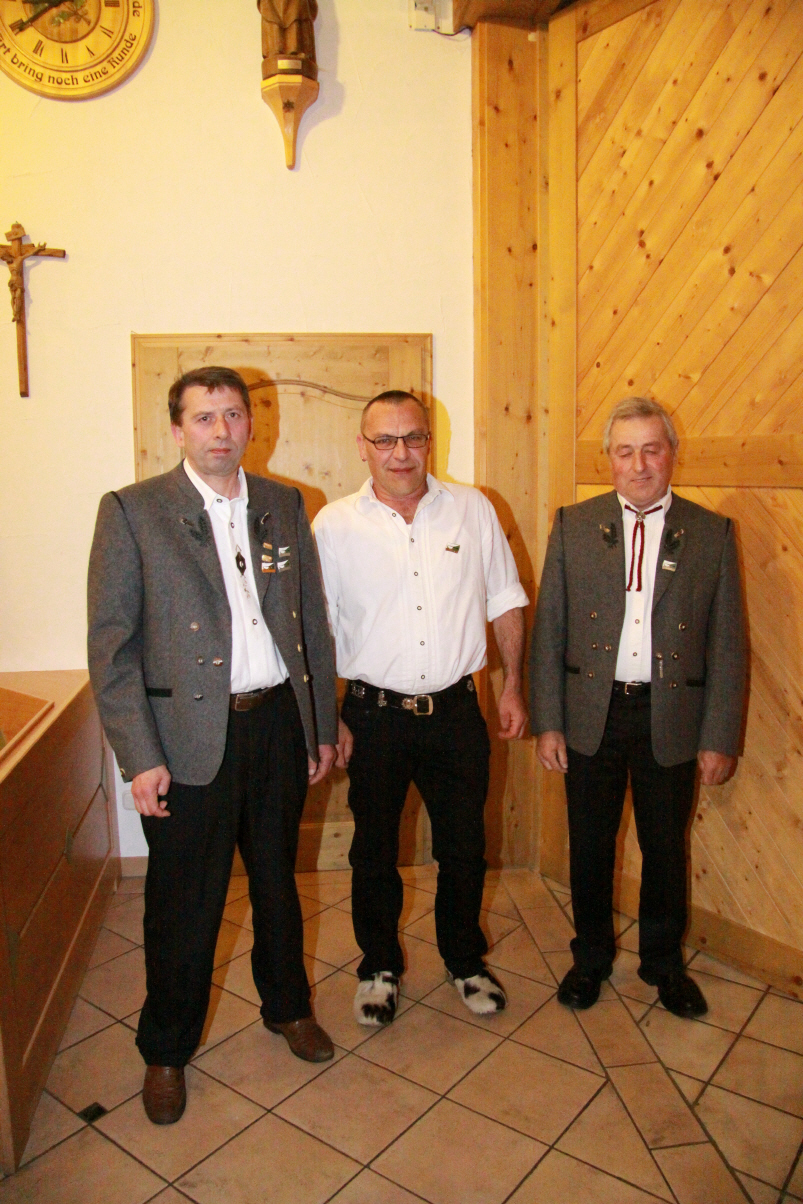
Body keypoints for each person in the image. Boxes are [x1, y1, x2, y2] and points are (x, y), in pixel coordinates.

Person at [87, 366, 337, 1125]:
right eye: (204, 417)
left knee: (278, 885)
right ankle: (165, 1050)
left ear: (250, 424)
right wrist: (140, 757)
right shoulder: (133, 511)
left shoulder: (284, 504)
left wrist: (319, 726)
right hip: (186, 739)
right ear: (178, 429)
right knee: (183, 904)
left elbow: (311, 623)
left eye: (233, 414)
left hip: (276, 725)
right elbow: (112, 649)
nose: (221, 430)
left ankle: (287, 1007)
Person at [313, 390, 529, 1026]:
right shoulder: (333, 525)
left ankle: (465, 960)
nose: (400, 452)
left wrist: (513, 685)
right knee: (373, 850)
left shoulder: (473, 509)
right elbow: (315, 629)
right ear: (362, 447)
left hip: (458, 714)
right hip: (372, 717)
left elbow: (506, 599)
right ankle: (378, 967)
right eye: (385, 439)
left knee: (464, 846)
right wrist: (329, 715)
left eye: (413, 437)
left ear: (430, 442)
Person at [530, 397, 747, 1018]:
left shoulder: (711, 533)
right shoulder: (574, 524)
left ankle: (664, 965)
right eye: (625, 451)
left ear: (672, 454)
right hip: (590, 716)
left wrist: (719, 736)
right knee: (590, 847)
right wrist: (549, 722)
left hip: (670, 718)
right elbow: (549, 630)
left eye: (652, 449)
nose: (639, 464)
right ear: (610, 459)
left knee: (665, 849)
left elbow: (728, 645)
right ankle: (590, 960)